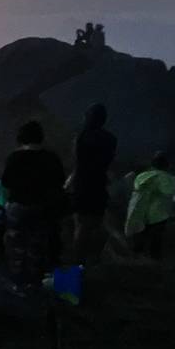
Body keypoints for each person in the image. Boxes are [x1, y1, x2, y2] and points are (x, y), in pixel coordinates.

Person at [0, 120, 66, 287]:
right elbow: (59, 182)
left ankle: (18, 281)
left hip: (19, 208)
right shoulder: (51, 158)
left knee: (16, 247)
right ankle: (37, 281)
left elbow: (6, 182)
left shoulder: (15, 157)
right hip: (43, 208)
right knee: (38, 246)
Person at [69, 103, 117, 265]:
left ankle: (77, 263)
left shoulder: (81, 136)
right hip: (98, 183)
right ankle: (93, 260)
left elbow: (78, 163)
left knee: (80, 225)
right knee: (96, 224)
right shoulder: (110, 139)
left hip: (82, 183)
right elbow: (108, 161)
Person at [125, 152, 175, 259]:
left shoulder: (142, 177)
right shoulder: (170, 180)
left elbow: (136, 190)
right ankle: (153, 260)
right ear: (167, 165)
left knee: (140, 236)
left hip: (142, 212)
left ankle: (137, 257)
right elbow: (172, 195)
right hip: (160, 214)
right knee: (156, 239)